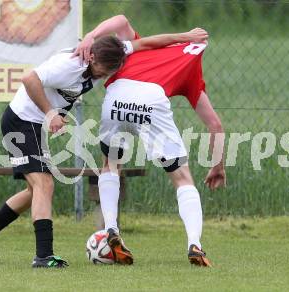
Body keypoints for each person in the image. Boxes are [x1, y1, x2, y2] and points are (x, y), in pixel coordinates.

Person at [0, 15, 209, 269]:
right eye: (106, 70)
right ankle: (43, 256)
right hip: (21, 121)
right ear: (91, 58)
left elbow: (146, 43)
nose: (107, 75)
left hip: (33, 124)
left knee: (34, 190)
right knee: (44, 185)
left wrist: (184, 37)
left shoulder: (112, 52)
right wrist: (50, 113)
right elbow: (29, 79)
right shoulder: (68, 64)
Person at [76, 38, 226, 267]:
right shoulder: (190, 67)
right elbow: (215, 125)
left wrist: (91, 36)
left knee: (110, 164)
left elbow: (122, 22)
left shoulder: (140, 47)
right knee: (182, 178)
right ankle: (194, 244)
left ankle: (111, 229)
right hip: (151, 101)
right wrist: (218, 166)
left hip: (116, 96)